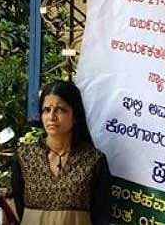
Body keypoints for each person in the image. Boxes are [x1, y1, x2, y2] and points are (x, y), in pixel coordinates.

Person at [12, 80, 110, 225]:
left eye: (60, 110)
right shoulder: (24, 157)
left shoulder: (93, 160)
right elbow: (20, 208)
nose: (51, 117)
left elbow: (101, 216)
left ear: (75, 116)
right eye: (46, 110)